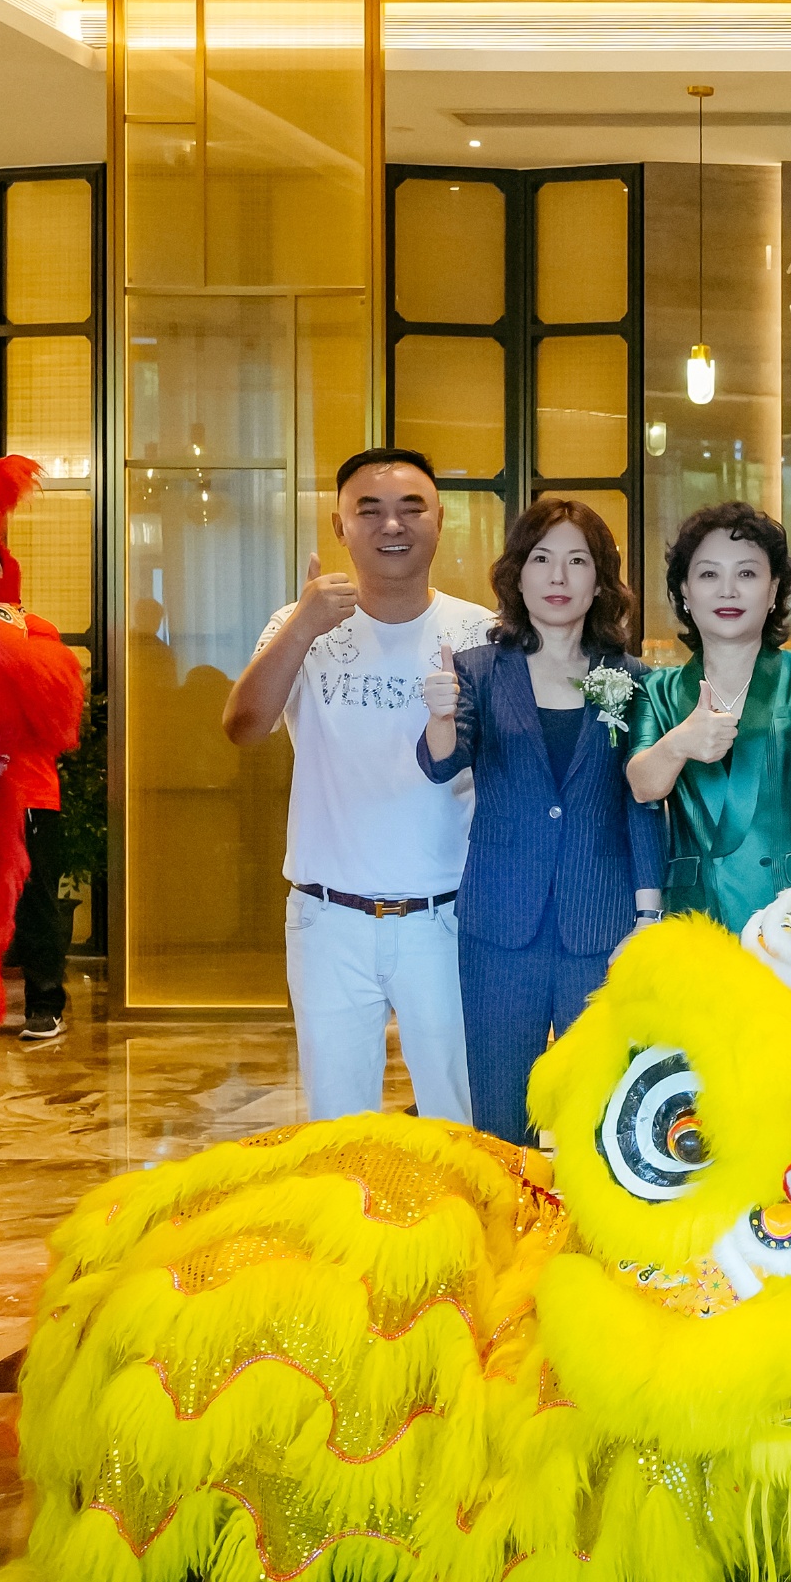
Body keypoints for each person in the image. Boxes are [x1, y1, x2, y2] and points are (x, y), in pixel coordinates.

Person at [223, 447, 491, 1122]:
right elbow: (243, 727)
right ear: (339, 526)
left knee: (459, 1119)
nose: (391, 525)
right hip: (327, 918)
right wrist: (303, 626)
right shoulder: (299, 622)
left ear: (440, 519)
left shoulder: (481, 632)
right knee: (337, 1125)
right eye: (369, 511)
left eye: (411, 508)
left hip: (450, 917)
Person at [419, 497, 665, 1145]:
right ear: (517, 574)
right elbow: (443, 764)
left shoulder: (630, 679)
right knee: (502, 1116)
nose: (558, 576)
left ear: (601, 579)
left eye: (577, 561)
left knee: (601, 1115)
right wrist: (440, 715)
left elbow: (641, 802)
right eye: (541, 559)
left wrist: (647, 915)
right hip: (500, 926)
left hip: (602, 924)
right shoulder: (476, 670)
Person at [629, 502, 791, 935]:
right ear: (684, 592)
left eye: (746, 573)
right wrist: (679, 743)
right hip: (700, 917)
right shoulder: (657, 690)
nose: (728, 591)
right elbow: (642, 786)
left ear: (773, 589)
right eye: (709, 575)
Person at [7, 611, 71, 1046]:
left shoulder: (36, 630)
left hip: (29, 793)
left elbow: (58, 715)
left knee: (37, 905)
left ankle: (45, 1005)